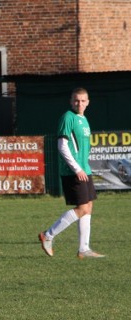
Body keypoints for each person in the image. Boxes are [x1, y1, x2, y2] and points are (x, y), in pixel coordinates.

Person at [38, 88, 105, 259]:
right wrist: (77, 168)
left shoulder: (84, 119)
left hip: (84, 169)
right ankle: (48, 235)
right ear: (71, 101)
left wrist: (84, 167)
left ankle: (84, 249)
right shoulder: (68, 117)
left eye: (83, 101)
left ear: (88, 102)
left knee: (88, 207)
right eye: (76, 100)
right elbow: (62, 146)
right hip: (74, 171)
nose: (79, 104)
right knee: (82, 208)